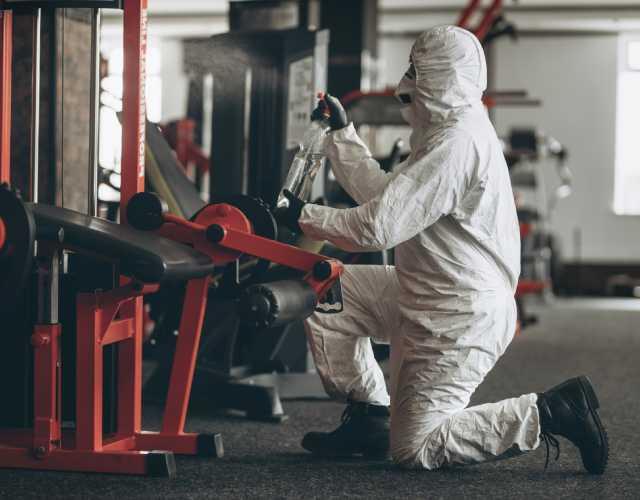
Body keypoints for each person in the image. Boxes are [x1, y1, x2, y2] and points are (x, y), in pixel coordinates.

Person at [275, 25, 608, 473]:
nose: (404, 83)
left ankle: (550, 412)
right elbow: (386, 194)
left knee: (416, 447)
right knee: (324, 290)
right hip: (427, 289)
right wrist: (341, 136)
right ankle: (371, 416)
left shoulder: (458, 142)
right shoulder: (444, 133)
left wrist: (300, 215)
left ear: (439, 75)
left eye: (415, 70)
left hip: (458, 315)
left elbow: (377, 227)